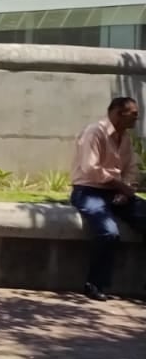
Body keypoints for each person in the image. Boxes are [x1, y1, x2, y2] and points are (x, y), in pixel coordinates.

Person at [70, 95, 146, 300]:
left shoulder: (126, 138)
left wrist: (125, 189)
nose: (136, 120)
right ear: (117, 113)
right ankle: (94, 284)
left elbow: (131, 169)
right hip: (88, 190)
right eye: (133, 115)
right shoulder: (94, 132)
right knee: (108, 232)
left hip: (116, 191)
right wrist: (121, 186)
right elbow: (90, 169)